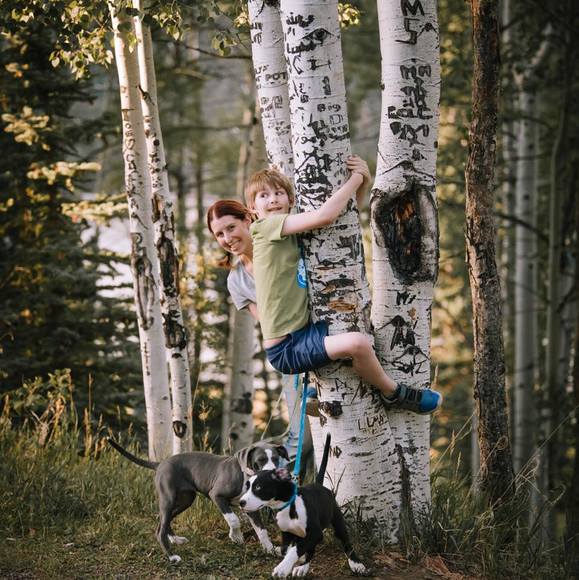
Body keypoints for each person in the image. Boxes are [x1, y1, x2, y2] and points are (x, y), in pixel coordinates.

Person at [244, 155, 442, 415]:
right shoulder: (264, 228)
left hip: (303, 333)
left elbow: (340, 221)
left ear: (291, 200)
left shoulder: (287, 232)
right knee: (358, 343)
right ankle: (393, 393)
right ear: (252, 209)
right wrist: (356, 179)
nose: (272, 199)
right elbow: (325, 216)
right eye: (263, 196)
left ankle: (317, 385)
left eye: (279, 193)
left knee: (356, 337)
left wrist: (361, 186)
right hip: (286, 349)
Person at [206, 199, 313, 464]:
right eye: (219, 234)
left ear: (247, 220)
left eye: (231, 228)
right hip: (293, 351)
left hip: (325, 332)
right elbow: (269, 324)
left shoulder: (280, 240)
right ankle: (262, 476)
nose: (227, 238)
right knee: (304, 439)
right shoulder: (237, 280)